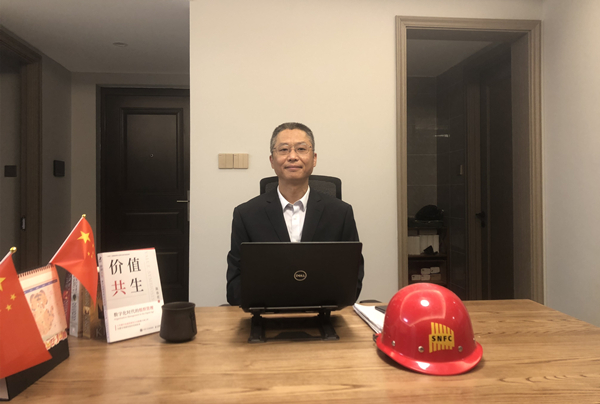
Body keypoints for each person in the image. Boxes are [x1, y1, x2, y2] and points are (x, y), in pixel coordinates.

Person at [226, 122, 364, 305]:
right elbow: (235, 283)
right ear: (272, 161)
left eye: (301, 149)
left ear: (314, 159)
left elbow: (352, 276)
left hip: (324, 312)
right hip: (266, 313)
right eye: (284, 150)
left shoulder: (341, 213)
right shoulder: (246, 215)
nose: (292, 157)